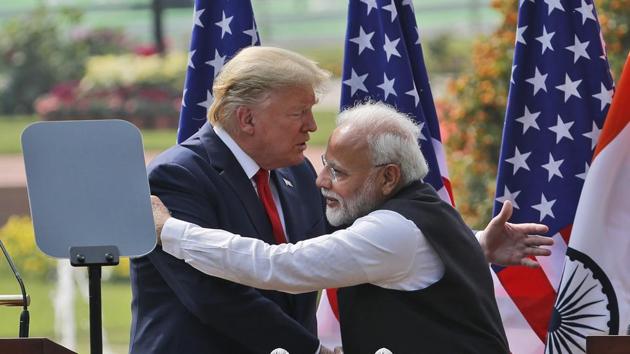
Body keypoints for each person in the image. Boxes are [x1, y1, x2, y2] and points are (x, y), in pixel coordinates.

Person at [151, 102, 552, 354]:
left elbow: (275, 266)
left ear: (388, 177)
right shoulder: (424, 213)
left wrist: (169, 230)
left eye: (338, 172)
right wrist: (476, 244)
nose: (320, 180)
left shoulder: (389, 230)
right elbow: (415, 259)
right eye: (325, 162)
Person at [129, 46, 332, 354]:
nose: (312, 125)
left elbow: (322, 259)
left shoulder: (297, 170)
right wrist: (308, 350)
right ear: (247, 119)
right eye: (298, 112)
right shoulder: (176, 176)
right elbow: (213, 296)